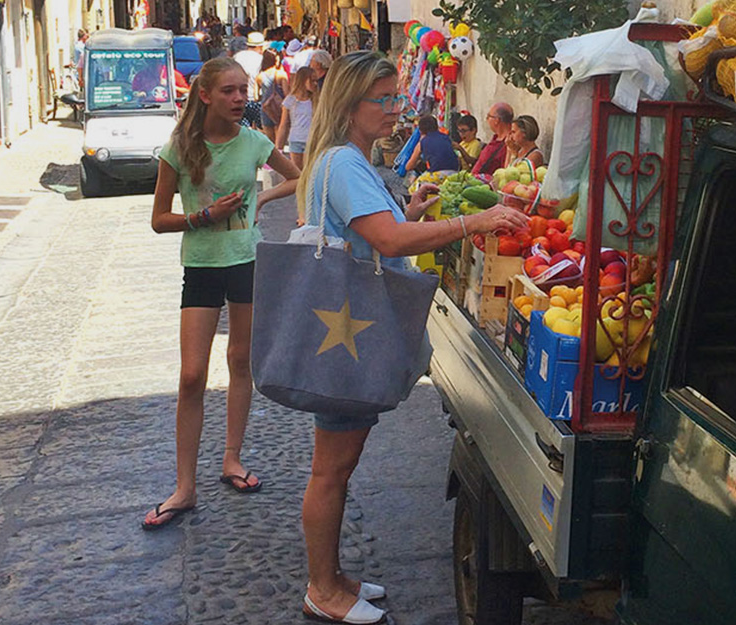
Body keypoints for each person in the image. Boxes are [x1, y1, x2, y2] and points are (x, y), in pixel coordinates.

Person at [295, 51, 528, 624]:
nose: (398, 109)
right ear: (352, 104)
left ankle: (334, 577)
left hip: (348, 331)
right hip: (344, 334)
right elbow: (392, 242)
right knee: (331, 469)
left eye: (398, 98)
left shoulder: (345, 159)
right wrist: (473, 220)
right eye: (387, 99)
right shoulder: (344, 164)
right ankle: (321, 590)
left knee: (339, 466)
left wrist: (409, 207)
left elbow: (379, 228)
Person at [142, 57, 300, 530]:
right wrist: (203, 217)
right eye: (229, 91)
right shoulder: (180, 147)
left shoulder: (252, 141)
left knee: (239, 360)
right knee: (191, 375)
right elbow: (158, 220)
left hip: (246, 261)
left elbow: (294, 176)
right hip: (203, 266)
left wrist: (259, 201)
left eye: (243, 90)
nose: (239, 99)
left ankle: (232, 459)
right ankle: (184, 487)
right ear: (205, 95)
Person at [276, 66, 316, 172]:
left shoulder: (316, 99)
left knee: (310, 172)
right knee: (297, 174)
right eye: (312, 80)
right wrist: (278, 147)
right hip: (295, 140)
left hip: (311, 140)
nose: (315, 83)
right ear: (303, 80)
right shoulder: (290, 100)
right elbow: (283, 124)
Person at [470, 102, 513, 178]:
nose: (487, 119)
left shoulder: (509, 142)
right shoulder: (496, 138)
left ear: (497, 120)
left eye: (488, 116)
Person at [233, 32, 265, 127]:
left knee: (242, 129)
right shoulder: (261, 59)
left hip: (240, 98)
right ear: (260, 47)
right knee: (260, 130)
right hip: (255, 99)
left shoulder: (238, 57)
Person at [257, 49, 289, 142]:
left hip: (266, 109)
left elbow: (256, 96)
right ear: (276, 60)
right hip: (279, 109)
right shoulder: (281, 75)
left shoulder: (259, 76)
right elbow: (287, 94)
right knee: (279, 141)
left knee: (270, 141)